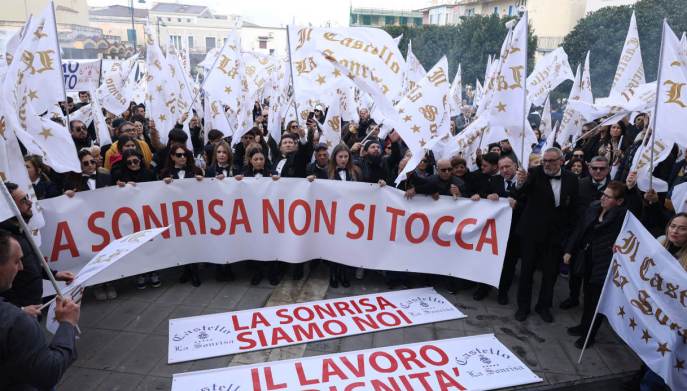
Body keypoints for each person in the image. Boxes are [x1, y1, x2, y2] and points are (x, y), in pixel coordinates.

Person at [0, 230, 81, 390]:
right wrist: (67, 324)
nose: (21, 267)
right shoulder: (15, 322)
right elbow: (48, 372)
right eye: (16, 261)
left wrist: (20, 310)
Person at [513, 147, 579, 323]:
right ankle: (523, 307)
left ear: (561, 160)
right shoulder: (534, 173)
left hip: (555, 236)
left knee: (550, 274)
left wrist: (567, 233)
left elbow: (573, 207)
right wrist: (520, 182)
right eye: (545, 161)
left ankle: (544, 306)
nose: (548, 164)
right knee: (526, 272)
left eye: (551, 160)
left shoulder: (572, 178)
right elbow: (520, 192)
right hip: (531, 233)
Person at [563, 182, 628, 349]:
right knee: (587, 296)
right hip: (587, 259)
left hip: (604, 263)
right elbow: (580, 229)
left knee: (596, 301)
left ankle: (589, 335)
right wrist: (569, 250)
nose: (603, 198)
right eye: (603, 194)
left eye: (608, 196)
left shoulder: (622, 217)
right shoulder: (594, 207)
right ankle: (583, 326)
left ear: (619, 201)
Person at [0, 182, 75, 313]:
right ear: (9, 207)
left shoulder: (20, 230)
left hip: (32, 309)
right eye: (23, 200)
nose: (30, 203)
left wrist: (55, 274)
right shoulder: (4, 241)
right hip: (15, 319)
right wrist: (20, 310)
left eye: (28, 197)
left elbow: (30, 263)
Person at [160, 145, 204, 287]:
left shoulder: (196, 171)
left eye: (184, 155)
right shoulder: (165, 172)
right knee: (181, 241)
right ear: (172, 157)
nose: (182, 157)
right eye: (179, 155)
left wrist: (201, 181)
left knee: (193, 241)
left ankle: (195, 271)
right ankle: (186, 269)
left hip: (194, 213)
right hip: (175, 214)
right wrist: (163, 183)